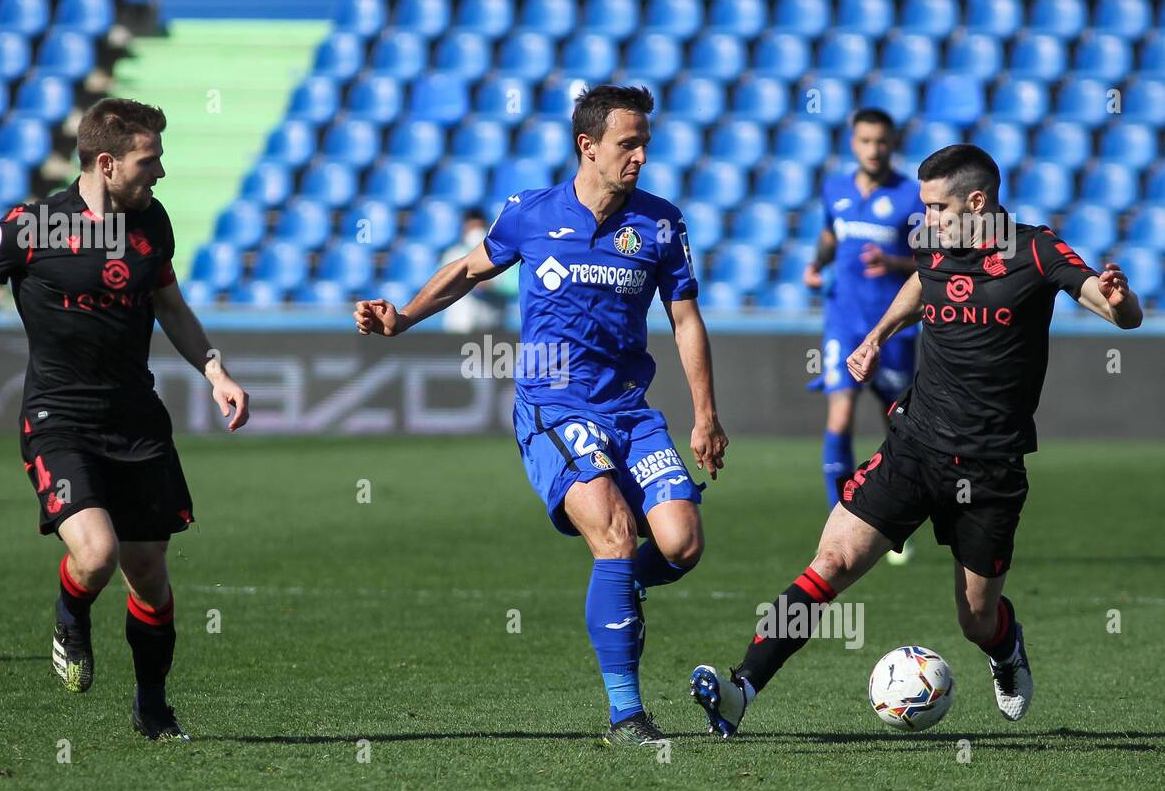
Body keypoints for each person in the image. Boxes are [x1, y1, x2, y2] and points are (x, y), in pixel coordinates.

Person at [691, 144, 1142, 738]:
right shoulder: (932, 240)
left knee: (977, 619)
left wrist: (1119, 299)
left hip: (990, 465)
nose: (924, 219)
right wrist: (879, 333)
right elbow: (925, 284)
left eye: (936, 207)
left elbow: (1116, 312)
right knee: (832, 562)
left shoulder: (1034, 249)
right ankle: (741, 688)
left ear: (977, 203)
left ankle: (1006, 652)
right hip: (914, 443)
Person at [355, 85, 728, 746]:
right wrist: (404, 317)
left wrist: (705, 415)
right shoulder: (530, 213)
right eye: (628, 144)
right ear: (588, 147)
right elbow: (469, 269)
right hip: (552, 400)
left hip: (629, 408)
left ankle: (618, 592)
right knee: (613, 532)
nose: (642, 155)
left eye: (646, 142)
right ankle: (625, 717)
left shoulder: (663, 223)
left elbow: (685, 317)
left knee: (682, 544)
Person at [0, 99, 250, 741]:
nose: (161, 173)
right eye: (151, 161)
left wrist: (214, 369)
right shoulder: (30, 228)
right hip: (57, 420)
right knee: (96, 554)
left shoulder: (152, 223)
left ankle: (152, 706)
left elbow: (170, 306)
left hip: (137, 423)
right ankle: (71, 611)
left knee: (149, 575)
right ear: (108, 162)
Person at [805, 110, 921, 566]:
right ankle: (843, 518)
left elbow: (932, 263)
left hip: (891, 327)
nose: (874, 149)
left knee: (900, 426)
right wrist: (817, 263)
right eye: (866, 141)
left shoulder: (911, 197)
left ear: (892, 144)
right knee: (839, 417)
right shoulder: (834, 188)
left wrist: (894, 265)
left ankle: (895, 519)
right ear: (854, 143)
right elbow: (830, 236)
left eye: (882, 141)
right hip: (843, 322)